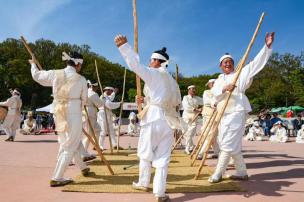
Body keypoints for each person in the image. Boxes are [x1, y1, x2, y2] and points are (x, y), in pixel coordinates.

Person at [115, 34, 182, 202]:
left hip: (153, 118)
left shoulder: (154, 73)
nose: (150, 62)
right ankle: (160, 193)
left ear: (157, 61)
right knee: (162, 158)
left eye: (151, 60)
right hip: (168, 121)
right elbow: (174, 102)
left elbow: (135, 66)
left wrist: (124, 47)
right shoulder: (173, 82)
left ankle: (144, 182)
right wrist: (145, 100)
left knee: (145, 153)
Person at [208, 32, 275, 183]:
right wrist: (225, 88)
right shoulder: (219, 80)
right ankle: (241, 172)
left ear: (233, 63)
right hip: (224, 114)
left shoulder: (241, 73)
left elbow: (257, 63)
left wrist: (267, 46)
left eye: (230, 61)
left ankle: (218, 173)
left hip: (237, 111)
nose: (227, 64)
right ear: (220, 66)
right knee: (229, 143)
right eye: (224, 62)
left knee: (227, 144)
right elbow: (215, 94)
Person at [30, 51, 93, 187]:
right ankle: (57, 176)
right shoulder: (81, 79)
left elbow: (37, 76)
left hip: (58, 111)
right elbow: (85, 100)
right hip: (73, 112)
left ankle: (83, 167)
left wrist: (33, 64)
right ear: (77, 64)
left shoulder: (54, 73)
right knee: (70, 144)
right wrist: (79, 107)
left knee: (68, 142)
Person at [81, 80, 104, 161]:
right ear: (94, 86)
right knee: (88, 135)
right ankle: (82, 154)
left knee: (98, 129)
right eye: (96, 87)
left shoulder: (85, 92)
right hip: (90, 114)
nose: (97, 89)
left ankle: (95, 144)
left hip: (88, 113)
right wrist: (103, 100)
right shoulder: (93, 94)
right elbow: (100, 104)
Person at [197, 79, 220, 160]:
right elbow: (207, 101)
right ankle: (217, 152)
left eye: (214, 83)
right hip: (208, 114)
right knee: (208, 133)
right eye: (211, 83)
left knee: (211, 134)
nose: (212, 84)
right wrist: (215, 103)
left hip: (217, 114)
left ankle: (201, 152)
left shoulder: (220, 90)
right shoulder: (206, 92)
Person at [182, 85, 204, 154]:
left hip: (194, 117)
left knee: (190, 133)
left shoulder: (197, 98)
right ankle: (191, 146)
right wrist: (196, 109)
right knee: (185, 133)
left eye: (194, 89)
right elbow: (186, 107)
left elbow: (205, 102)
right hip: (186, 117)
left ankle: (187, 148)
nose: (194, 91)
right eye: (192, 89)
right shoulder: (185, 97)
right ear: (189, 90)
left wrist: (202, 108)